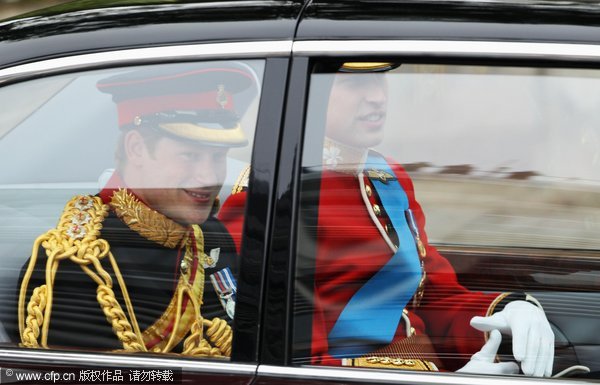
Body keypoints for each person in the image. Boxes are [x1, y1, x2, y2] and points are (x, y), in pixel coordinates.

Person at [219, 62, 555, 376]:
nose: (377, 97)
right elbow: (297, 364)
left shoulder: (387, 177)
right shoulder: (271, 197)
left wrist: (506, 312)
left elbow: (430, 295)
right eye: (354, 83)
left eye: (380, 79)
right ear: (313, 94)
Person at [12, 62, 257, 356]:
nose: (208, 177)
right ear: (137, 148)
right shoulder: (77, 267)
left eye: (218, 157)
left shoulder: (211, 234)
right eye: (190, 156)